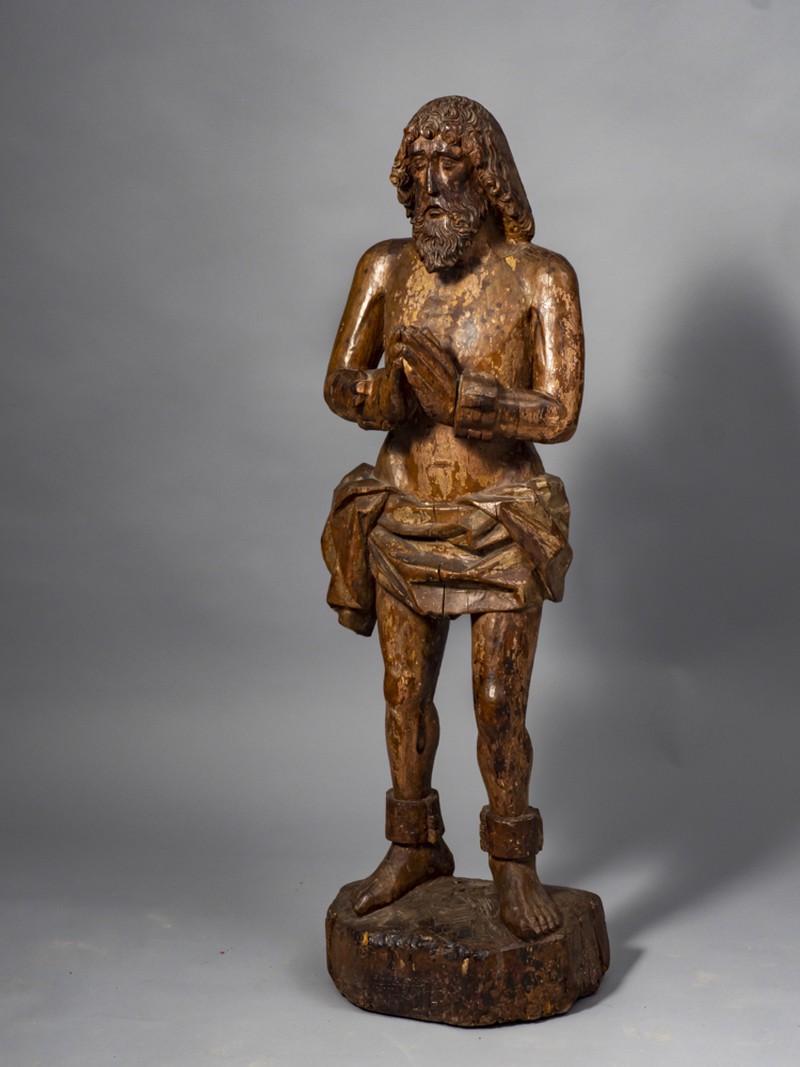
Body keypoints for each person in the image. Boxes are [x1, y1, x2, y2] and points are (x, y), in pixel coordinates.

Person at [322, 96, 584, 939]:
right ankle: (413, 846)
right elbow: (339, 382)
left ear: (490, 176)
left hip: (499, 519)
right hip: (404, 510)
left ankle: (512, 862)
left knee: (498, 700)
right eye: (421, 166)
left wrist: (466, 397)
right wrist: (386, 397)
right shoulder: (384, 268)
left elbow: (560, 411)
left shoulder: (541, 278)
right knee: (404, 692)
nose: (433, 183)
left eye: (453, 164)